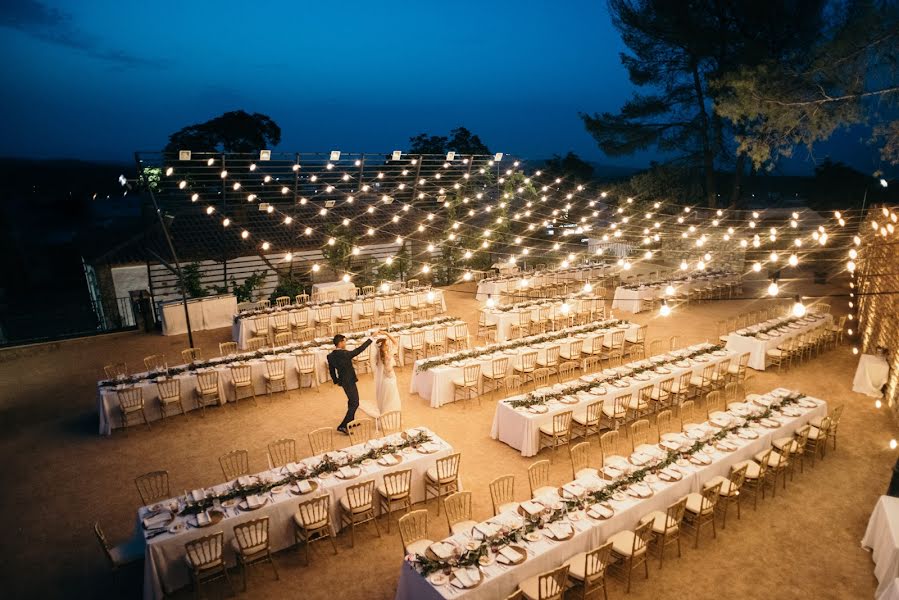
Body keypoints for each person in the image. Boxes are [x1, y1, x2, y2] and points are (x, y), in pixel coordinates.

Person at [327, 333, 374, 434]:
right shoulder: (345, 354)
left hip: (343, 381)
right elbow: (359, 350)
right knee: (355, 402)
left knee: (351, 401)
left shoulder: (330, 356)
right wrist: (370, 338)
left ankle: (351, 422)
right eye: (344, 341)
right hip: (349, 381)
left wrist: (336, 380)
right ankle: (343, 426)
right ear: (340, 343)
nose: (345, 343)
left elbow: (331, 370)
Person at [371, 331, 401, 417]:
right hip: (390, 379)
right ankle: (391, 415)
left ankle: (385, 414)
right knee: (392, 398)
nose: (388, 346)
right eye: (386, 345)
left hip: (385, 380)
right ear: (382, 348)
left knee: (386, 399)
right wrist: (386, 333)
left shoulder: (380, 357)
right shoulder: (388, 356)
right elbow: (396, 343)